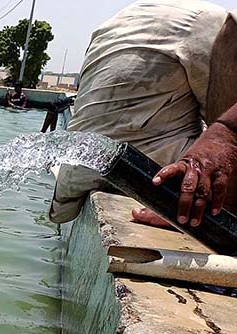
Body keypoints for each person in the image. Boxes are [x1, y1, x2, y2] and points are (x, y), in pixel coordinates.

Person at [49, 1, 237, 229]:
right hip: (143, 175)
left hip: (76, 173)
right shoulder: (216, 21)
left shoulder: (125, 16)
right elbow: (221, 134)